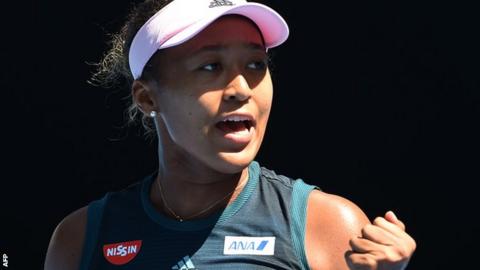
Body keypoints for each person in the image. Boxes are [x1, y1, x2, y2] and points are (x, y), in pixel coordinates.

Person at [45, 0, 416, 269]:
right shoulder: (79, 240)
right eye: (211, 66)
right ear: (147, 97)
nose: (242, 89)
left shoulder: (329, 226)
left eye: (256, 64)